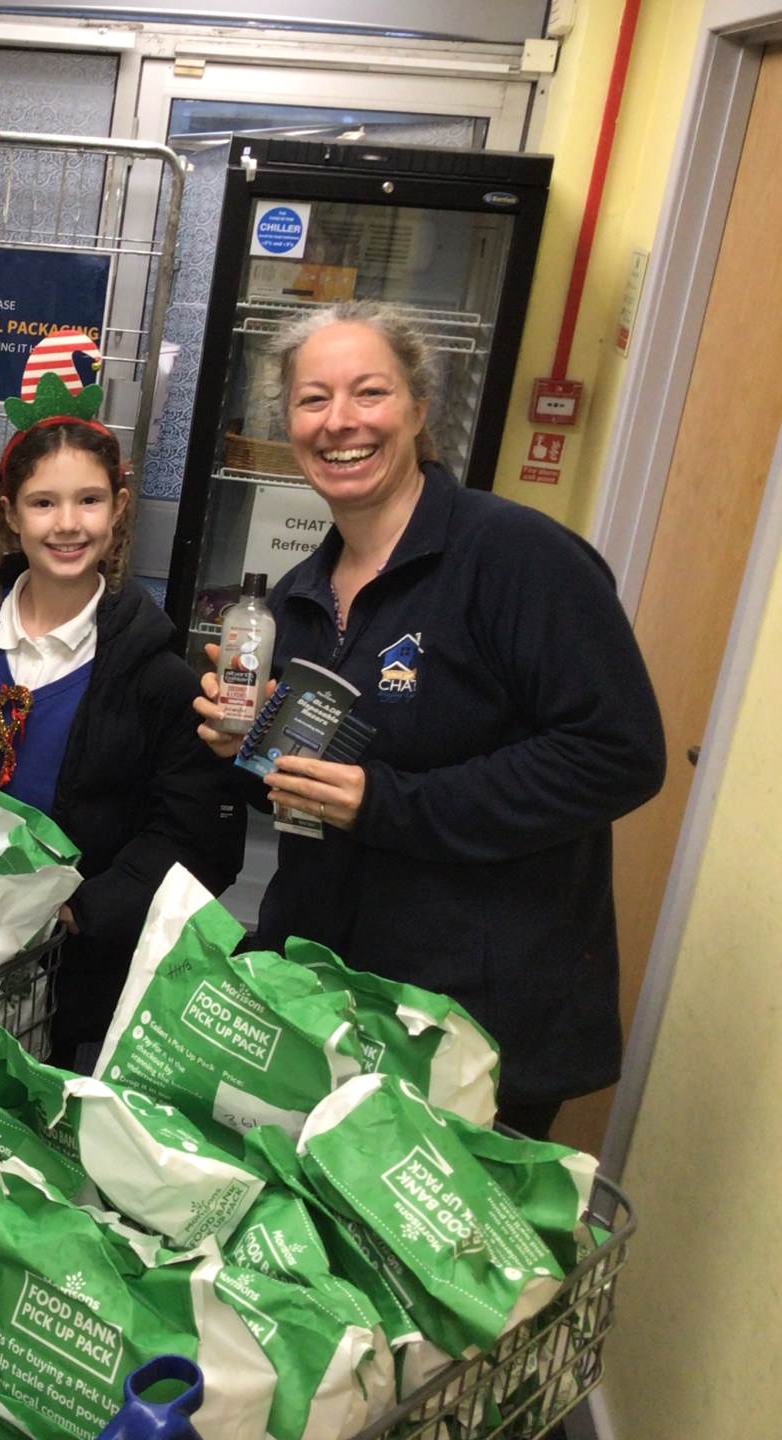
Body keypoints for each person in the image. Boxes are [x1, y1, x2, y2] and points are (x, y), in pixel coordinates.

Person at [192, 302, 665, 1139]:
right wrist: (258, 748)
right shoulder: (298, 600)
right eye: (312, 399)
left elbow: (615, 753)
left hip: (475, 1029)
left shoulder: (515, 557)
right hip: (334, 1006)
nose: (339, 421)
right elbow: (315, 799)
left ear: (418, 408)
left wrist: (385, 803)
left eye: (369, 392)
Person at [0, 413, 247, 1065]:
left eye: (88, 500)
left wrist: (83, 912)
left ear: (118, 509)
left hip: (68, 981)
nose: (67, 524)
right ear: (10, 513)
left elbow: (195, 837)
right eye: (43, 503)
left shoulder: (157, 677)